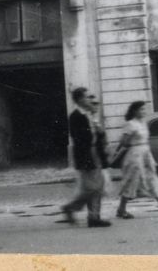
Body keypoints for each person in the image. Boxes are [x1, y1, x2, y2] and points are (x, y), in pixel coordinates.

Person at [115, 101, 158, 219]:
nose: (144, 112)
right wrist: (130, 139)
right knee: (132, 181)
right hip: (134, 156)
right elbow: (124, 142)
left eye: (144, 109)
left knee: (152, 179)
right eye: (141, 109)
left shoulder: (143, 123)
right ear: (134, 111)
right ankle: (121, 209)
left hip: (146, 154)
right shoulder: (130, 124)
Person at [61, 87, 111, 227]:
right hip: (87, 155)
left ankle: (92, 216)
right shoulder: (75, 116)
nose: (91, 100)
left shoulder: (90, 114)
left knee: (97, 187)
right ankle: (76, 210)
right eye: (88, 97)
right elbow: (79, 138)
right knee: (93, 188)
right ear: (80, 100)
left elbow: (99, 135)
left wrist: (98, 128)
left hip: (96, 153)